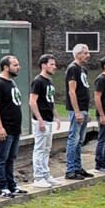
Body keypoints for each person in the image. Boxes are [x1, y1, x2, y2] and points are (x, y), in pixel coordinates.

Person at [0, 55, 25, 198]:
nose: (18, 67)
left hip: (15, 128)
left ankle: (12, 185)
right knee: (1, 158)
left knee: (11, 158)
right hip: (5, 128)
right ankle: (2, 187)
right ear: (6, 67)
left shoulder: (12, 83)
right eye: (15, 65)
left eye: (18, 64)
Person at [28, 54, 61, 188]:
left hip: (48, 119)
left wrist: (56, 116)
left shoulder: (49, 81)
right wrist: (39, 119)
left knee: (47, 148)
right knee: (39, 149)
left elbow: (50, 101)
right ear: (43, 65)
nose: (54, 67)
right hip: (41, 120)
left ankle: (46, 174)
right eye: (51, 64)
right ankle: (38, 177)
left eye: (54, 64)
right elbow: (32, 101)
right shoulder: (38, 81)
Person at [64, 44, 95, 180]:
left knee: (80, 140)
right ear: (78, 54)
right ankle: (70, 169)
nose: (88, 55)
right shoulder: (73, 69)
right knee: (74, 139)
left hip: (84, 108)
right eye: (85, 53)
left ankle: (78, 167)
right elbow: (72, 91)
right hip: (77, 110)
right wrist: (77, 111)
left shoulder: (83, 70)